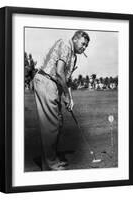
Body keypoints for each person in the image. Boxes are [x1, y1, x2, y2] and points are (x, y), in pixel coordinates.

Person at [33, 30, 90, 170]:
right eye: (83, 44)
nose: (84, 48)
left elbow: (67, 78)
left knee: (57, 122)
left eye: (86, 46)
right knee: (51, 125)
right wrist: (66, 95)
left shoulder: (74, 57)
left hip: (54, 85)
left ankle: (50, 160)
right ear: (75, 39)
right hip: (46, 81)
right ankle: (51, 164)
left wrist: (70, 99)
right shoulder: (65, 44)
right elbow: (59, 73)